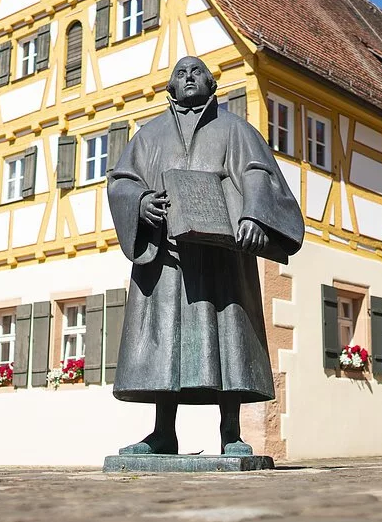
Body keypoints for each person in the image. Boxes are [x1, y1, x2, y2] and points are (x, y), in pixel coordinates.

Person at [107, 56, 304, 455]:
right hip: (168, 257)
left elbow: (258, 174)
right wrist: (141, 203)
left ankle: (231, 433)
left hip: (222, 254)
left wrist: (254, 215)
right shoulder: (149, 136)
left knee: (228, 339)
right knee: (166, 346)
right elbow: (121, 181)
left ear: (212, 85)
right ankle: (163, 433)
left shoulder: (236, 130)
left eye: (197, 71)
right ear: (170, 88)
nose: (189, 76)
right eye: (181, 72)